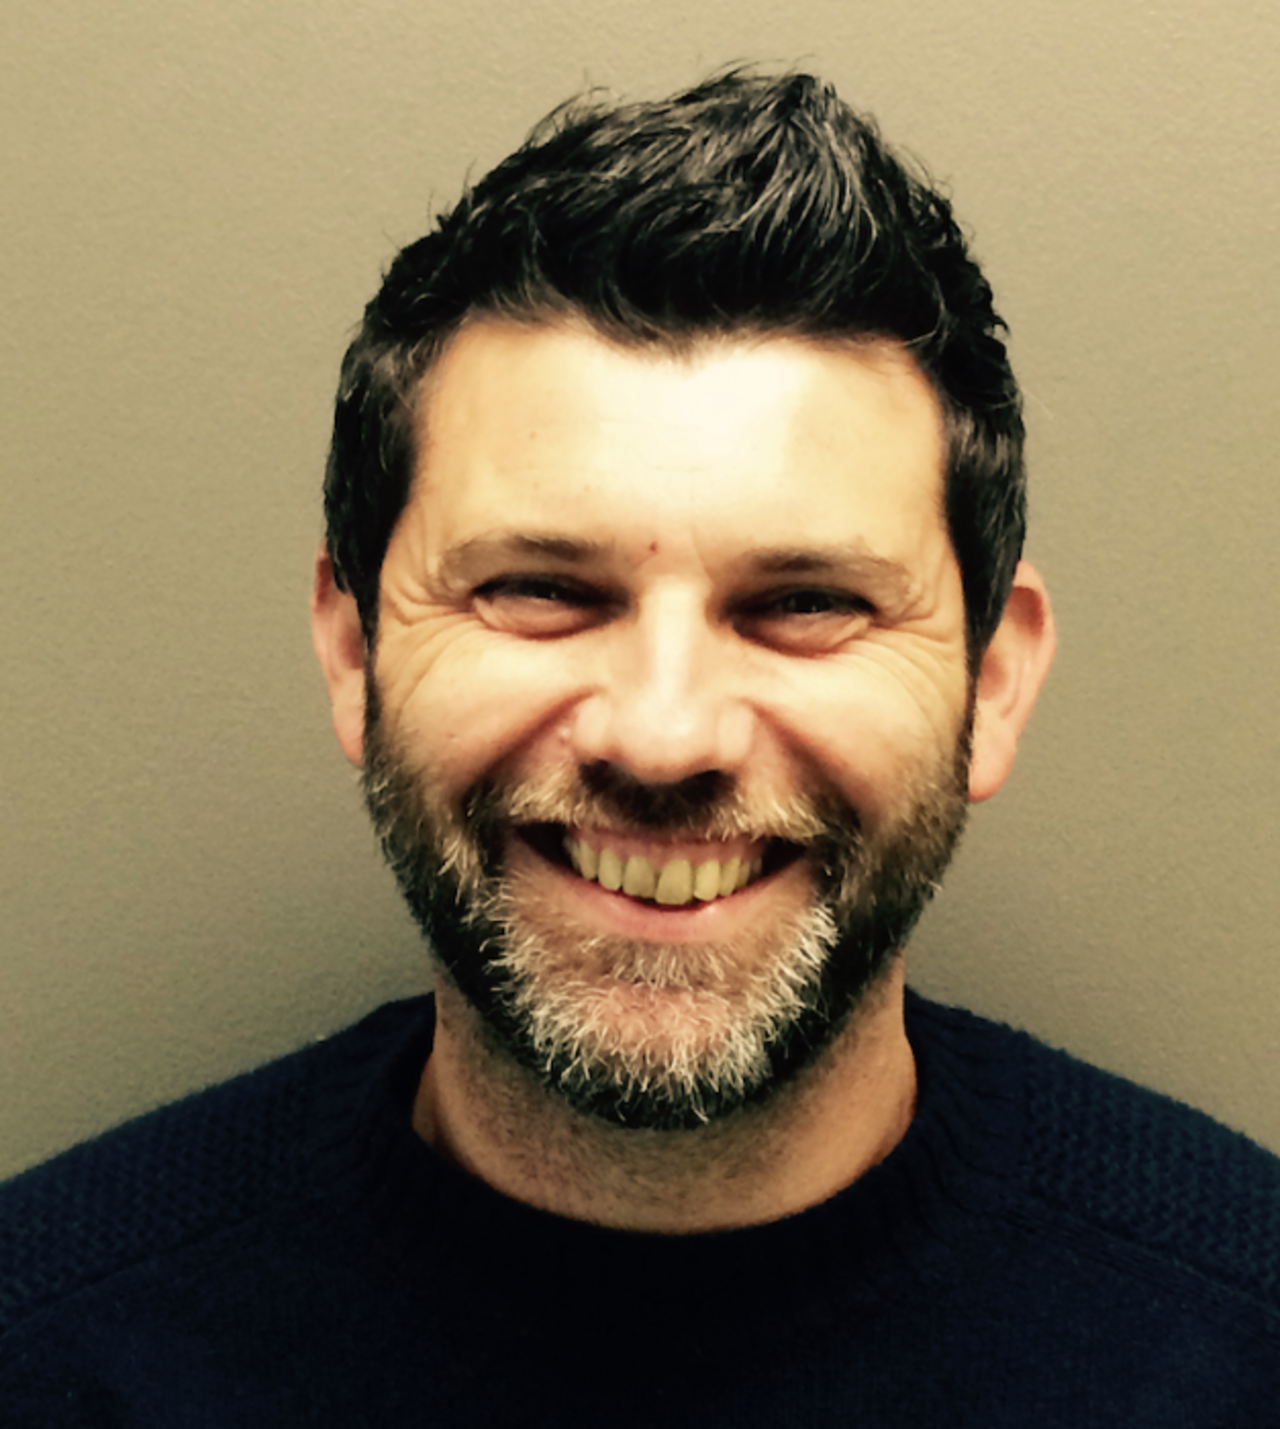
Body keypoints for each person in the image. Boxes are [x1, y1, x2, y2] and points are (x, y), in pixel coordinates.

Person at [2, 70, 1278, 1425]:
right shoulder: (46, 1351)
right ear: (355, 654)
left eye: (807, 603)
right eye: (540, 590)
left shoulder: (1241, 1347)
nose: (665, 737)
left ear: (994, 683)